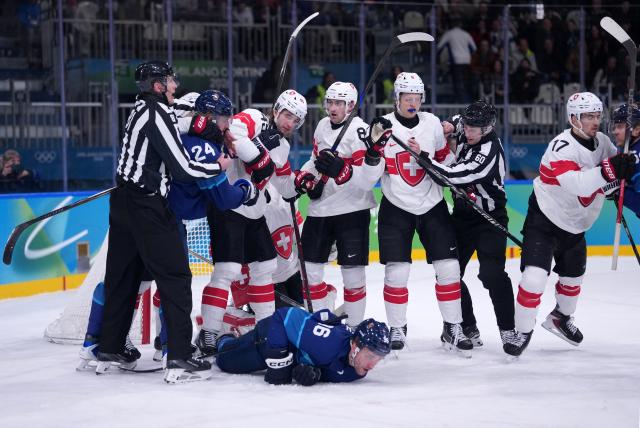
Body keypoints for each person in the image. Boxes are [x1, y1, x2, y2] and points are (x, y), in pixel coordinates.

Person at [78, 90, 258, 372]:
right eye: (224, 119)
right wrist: (246, 190)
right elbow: (223, 199)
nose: (227, 125)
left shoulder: (165, 130)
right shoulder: (203, 147)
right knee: (174, 282)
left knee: (127, 281)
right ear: (208, 118)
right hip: (166, 222)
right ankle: (171, 348)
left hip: (136, 210)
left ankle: (98, 340)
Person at [97, 61, 230, 384]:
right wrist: (218, 166)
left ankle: (110, 345)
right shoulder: (157, 115)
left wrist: (199, 124)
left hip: (124, 203)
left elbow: (180, 122)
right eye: (170, 81)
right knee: (176, 276)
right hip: (147, 206)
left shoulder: (143, 108)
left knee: (123, 276)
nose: (175, 85)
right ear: (158, 86)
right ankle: (180, 356)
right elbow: (183, 167)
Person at [513, 92, 635, 355]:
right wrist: (611, 171)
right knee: (534, 278)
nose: (594, 121)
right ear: (573, 119)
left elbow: (617, 172)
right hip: (545, 219)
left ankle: (560, 319)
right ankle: (521, 330)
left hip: (577, 224)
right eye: (588, 116)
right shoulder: (561, 146)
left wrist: (622, 171)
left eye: (597, 116)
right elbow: (579, 185)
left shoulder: (602, 142)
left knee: (573, 280)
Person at [196, 90, 307, 357]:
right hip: (231, 205)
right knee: (227, 271)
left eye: (296, 120)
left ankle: (266, 330)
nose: (289, 123)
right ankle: (209, 333)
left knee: (264, 270)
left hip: (256, 212)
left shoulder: (283, 145)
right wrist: (259, 153)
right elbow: (232, 133)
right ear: (276, 110)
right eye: (287, 115)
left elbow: (282, 181)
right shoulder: (254, 117)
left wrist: (300, 183)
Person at [371, 72, 473, 356]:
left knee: (449, 268)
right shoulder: (383, 126)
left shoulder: (431, 125)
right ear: (397, 99)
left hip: (432, 205)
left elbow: (445, 160)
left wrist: (448, 157)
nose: (412, 103)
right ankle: (397, 328)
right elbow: (371, 173)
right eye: (407, 98)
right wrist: (371, 149)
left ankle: (453, 326)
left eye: (417, 98)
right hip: (396, 205)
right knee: (397, 271)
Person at [419, 101, 521, 357]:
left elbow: (452, 177)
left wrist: (423, 158)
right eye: (467, 125)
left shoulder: (490, 151)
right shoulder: (465, 127)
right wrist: (451, 125)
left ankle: (508, 329)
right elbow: (456, 118)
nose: (470, 131)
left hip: (489, 218)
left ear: (488, 128)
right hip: (463, 217)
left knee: (491, 274)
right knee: (449, 273)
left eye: (476, 128)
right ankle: (466, 325)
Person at [296, 81, 391, 327]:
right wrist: (305, 177)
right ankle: (317, 323)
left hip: (352, 210)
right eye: (330, 102)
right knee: (310, 270)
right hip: (320, 209)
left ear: (350, 105)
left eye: (339, 102)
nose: (333, 107)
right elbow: (313, 160)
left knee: (353, 275)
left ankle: (355, 328)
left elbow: (369, 181)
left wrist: (345, 170)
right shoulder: (320, 126)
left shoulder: (360, 131)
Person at [215, 307, 391, 385]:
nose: (371, 366)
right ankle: (224, 334)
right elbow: (283, 316)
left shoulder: (356, 371)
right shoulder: (326, 343)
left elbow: (326, 366)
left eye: (378, 359)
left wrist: (315, 374)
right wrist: (279, 362)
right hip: (269, 336)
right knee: (223, 359)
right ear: (354, 345)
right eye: (370, 356)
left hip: (294, 345)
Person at [609, 103, 640, 218]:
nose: (615, 131)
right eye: (615, 127)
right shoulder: (630, 152)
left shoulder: (636, 158)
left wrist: (617, 190)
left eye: (620, 127)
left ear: (636, 130)